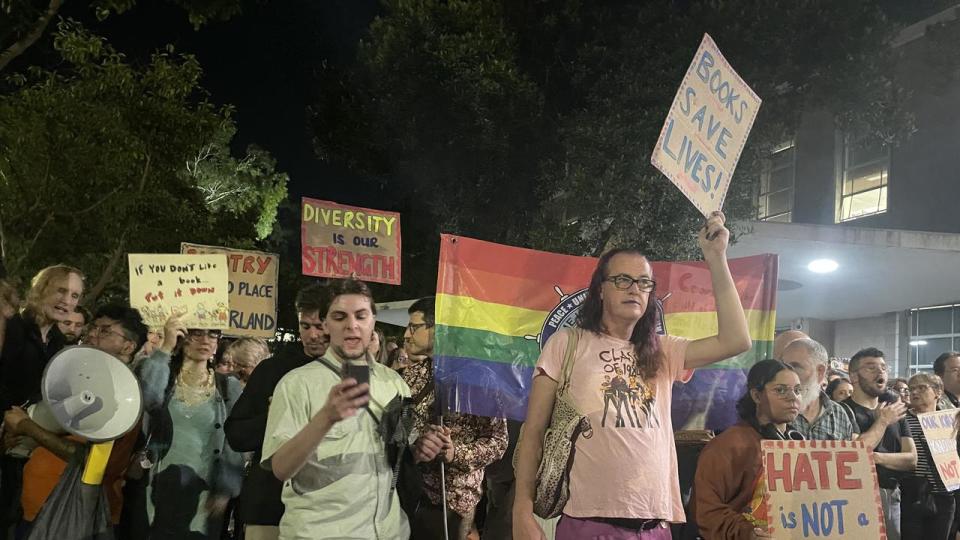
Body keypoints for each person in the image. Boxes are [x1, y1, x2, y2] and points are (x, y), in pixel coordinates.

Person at [513, 211, 752, 540]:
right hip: (590, 526)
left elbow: (736, 340)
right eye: (622, 280)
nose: (634, 289)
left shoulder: (663, 350)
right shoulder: (567, 343)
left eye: (643, 282)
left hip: (655, 529)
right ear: (600, 290)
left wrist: (716, 257)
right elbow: (533, 433)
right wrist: (522, 513)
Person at [261, 279, 411, 540]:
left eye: (361, 316)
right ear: (326, 325)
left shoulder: (394, 382)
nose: (352, 325)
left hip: (388, 532)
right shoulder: (297, 384)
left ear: (373, 321)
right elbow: (281, 468)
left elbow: (400, 453)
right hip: (321, 532)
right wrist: (326, 418)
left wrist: (425, 448)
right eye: (340, 317)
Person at [4, 304, 148, 536]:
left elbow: (96, 464)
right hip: (37, 509)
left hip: (71, 517)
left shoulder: (125, 398)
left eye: (105, 331)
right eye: (93, 327)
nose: (92, 334)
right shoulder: (79, 376)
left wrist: (28, 427)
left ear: (128, 346)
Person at [224, 284, 330, 540]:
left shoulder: (352, 374)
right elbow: (237, 435)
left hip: (327, 511)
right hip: (270, 508)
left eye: (320, 326)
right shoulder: (271, 371)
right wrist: (277, 415)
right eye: (306, 326)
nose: (313, 335)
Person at [402, 297, 508, 540]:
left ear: (437, 328)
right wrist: (413, 445)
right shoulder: (412, 376)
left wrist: (454, 453)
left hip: (453, 503)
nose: (407, 334)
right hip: (411, 494)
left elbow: (498, 441)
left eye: (414, 327)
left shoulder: (480, 379)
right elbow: (400, 429)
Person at [137, 315, 245, 539]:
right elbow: (148, 400)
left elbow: (234, 443)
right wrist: (165, 347)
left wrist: (226, 489)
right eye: (196, 333)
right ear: (182, 337)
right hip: (156, 485)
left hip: (202, 493)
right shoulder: (164, 377)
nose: (205, 340)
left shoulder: (229, 387)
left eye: (212, 334)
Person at [0, 265, 84, 539]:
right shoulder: (12, 326)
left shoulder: (59, 341)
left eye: (74, 295)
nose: (67, 301)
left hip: (28, 447)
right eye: (61, 290)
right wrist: (6, 422)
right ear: (41, 287)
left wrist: (29, 428)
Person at [694, 359, 803, 539]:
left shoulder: (798, 445)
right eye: (781, 390)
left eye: (798, 390)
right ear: (756, 396)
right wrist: (749, 534)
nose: (793, 397)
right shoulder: (728, 445)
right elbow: (705, 510)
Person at [842, 347, 916, 540]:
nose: (880, 372)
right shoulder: (843, 411)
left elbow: (911, 459)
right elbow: (855, 454)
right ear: (854, 376)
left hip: (891, 494)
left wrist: (875, 457)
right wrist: (882, 422)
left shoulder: (896, 411)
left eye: (883, 367)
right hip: (855, 496)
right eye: (871, 367)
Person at [900, 373, 957, 539]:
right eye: (911, 389)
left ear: (938, 392)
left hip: (944, 494)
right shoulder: (902, 419)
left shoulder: (951, 420)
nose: (915, 392)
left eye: (922, 388)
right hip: (912, 494)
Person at [780, 338, 856, 440]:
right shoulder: (774, 409)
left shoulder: (838, 415)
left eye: (795, 367)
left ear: (820, 372)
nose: (786, 375)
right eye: (782, 367)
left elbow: (848, 455)